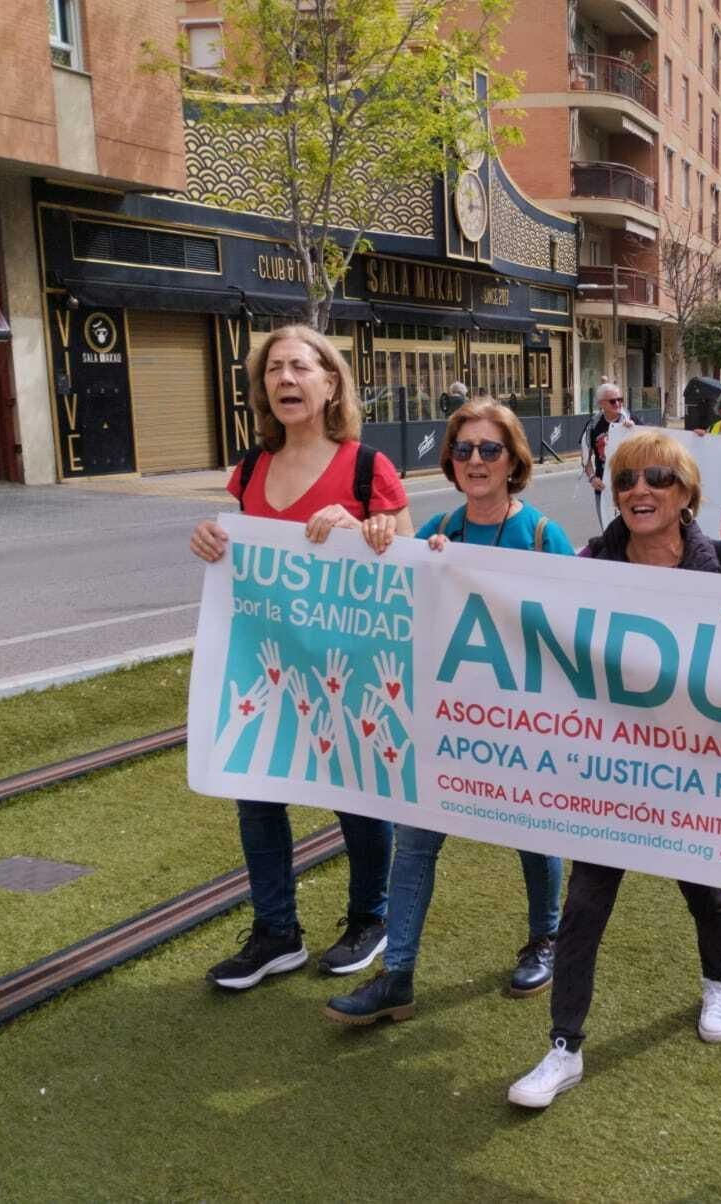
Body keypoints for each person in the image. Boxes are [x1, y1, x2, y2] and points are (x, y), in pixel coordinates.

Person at [507, 430, 721, 1110]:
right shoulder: (594, 558)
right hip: (612, 773)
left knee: (703, 890)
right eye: (627, 479)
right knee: (584, 907)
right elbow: (520, 600)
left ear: (686, 492)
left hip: (693, 770)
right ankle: (564, 1048)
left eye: (658, 478)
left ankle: (718, 981)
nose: (640, 491)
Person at [326, 399, 574, 1026]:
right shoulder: (438, 532)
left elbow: (579, 621)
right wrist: (374, 539)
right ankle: (398, 975)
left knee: (532, 835)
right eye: (463, 450)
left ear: (514, 459)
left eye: (490, 449)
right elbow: (388, 597)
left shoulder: (543, 535)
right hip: (445, 724)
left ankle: (546, 938)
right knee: (415, 842)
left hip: (524, 722)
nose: (476, 461)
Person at [189, 324, 414, 991]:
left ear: (330, 380)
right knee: (256, 793)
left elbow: (411, 561)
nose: (286, 379)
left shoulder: (369, 468)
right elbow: (236, 550)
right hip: (268, 665)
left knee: (357, 792)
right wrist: (209, 537)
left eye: (300, 366)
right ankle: (276, 932)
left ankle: (368, 921)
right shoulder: (251, 468)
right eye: (273, 370)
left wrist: (368, 530)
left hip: (350, 666)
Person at [579, 382, 634, 524]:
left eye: (620, 399)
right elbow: (585, 456)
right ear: (601, 404)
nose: (618, 404)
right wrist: (592, 478)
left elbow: (655, 443)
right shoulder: (593, 425)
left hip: (630, 487)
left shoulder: (632, 421)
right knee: (608, 531)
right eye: (612, 401)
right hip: (604, 488)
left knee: (632, 532)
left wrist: (635, 431)